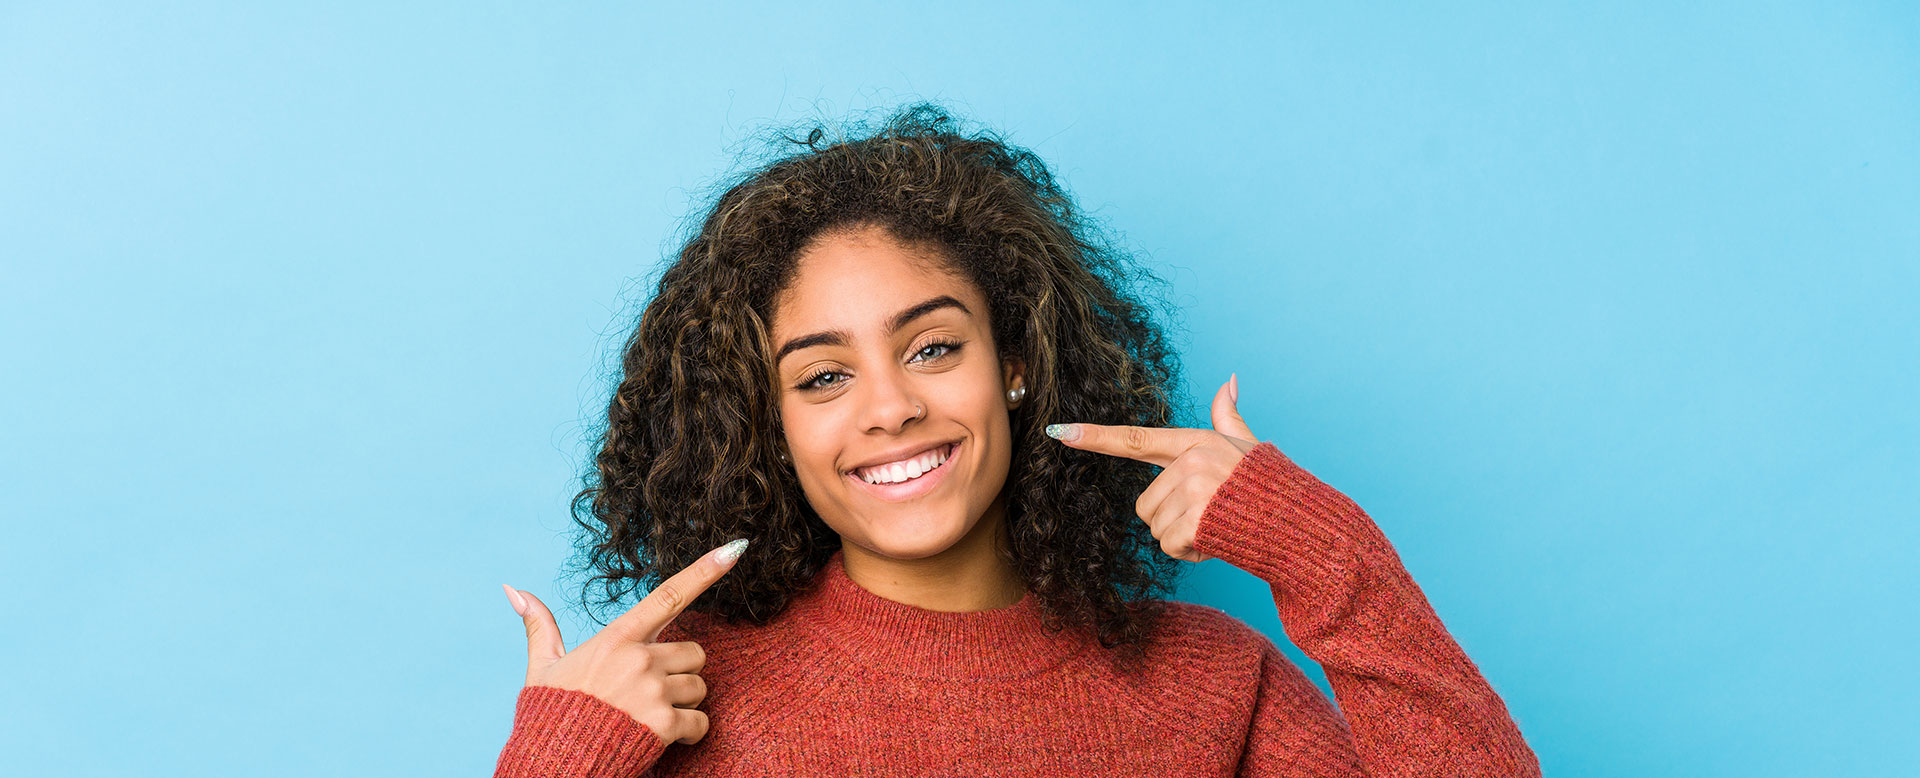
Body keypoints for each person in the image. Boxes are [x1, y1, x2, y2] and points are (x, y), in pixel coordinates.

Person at [492, 102, 1540, 776]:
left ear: (1018, 360)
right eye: (822, 376)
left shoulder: (1215, 685)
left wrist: (1323, 550)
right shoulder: (682, 699)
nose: (888, 406)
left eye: (935, 349)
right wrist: (557, 760)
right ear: (768, 426)